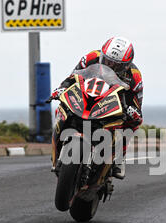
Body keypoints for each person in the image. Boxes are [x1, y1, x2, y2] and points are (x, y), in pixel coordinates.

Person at [50, 36, 143, 179]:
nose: (110, 66)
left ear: (126, 65)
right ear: (102, 55)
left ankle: (119, 158)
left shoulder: (134, 76)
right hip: (88, 94)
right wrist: (61, 88)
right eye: (107, 61)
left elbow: (137, 102)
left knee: (131, 124)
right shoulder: (91, 57)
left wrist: (133, 112)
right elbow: (73, 77)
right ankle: (57, 147)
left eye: (116, 65)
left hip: (114, 102)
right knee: (61, 108)